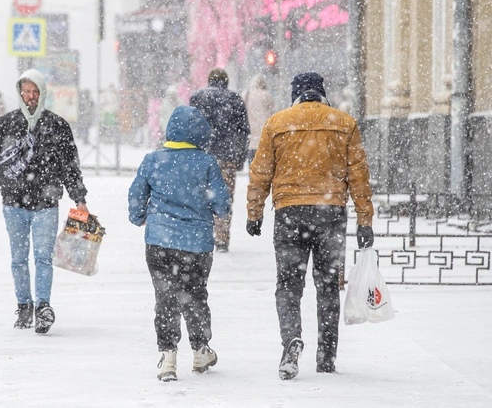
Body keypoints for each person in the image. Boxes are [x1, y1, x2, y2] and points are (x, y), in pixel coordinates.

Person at [246, 72, 374, 380]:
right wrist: (364, 219)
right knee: (328, 286)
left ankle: (291, 338)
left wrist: (254, 213)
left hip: (290, 213)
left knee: (289, 285)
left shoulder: (277, 124)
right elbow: (359, 175)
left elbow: (261, 172)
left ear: (296, 94)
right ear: (321, 93)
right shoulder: (344, 123)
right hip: (330, 213)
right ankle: (326, 357)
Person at [0, 69, 89, 334]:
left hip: (46, 203)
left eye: (35, 92)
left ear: (42, 94)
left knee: (43, 257)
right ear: (20, 93)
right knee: (18, 258)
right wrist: (3, 180)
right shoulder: (5, 123)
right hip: (13, 203)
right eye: (26, 91)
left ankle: (43, 306)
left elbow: (70, 166)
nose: (30, 97)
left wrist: (79, 197)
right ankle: (24, 304)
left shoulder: (57, 125)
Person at [128, 105, 231, 382]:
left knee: (165, 298)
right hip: (196, 245)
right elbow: (221, 205)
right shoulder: (207, 162)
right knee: (196, 297)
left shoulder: (153, 160)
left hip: (159, 243)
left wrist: (138, 217)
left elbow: (137, 194)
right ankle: (200, 349)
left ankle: (168, 356)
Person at [190, 68, 250, 253]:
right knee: (224, 198)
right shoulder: (234, 99)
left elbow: (189, 127)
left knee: (200, 198)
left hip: (201, 156)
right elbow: (243, 131)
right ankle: (222, 238)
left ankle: (202, 236)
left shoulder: (197, 98)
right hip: (226, 157)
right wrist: (238, 158)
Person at [243, 74, 275, 163]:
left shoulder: (248, 93)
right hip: (264, 136)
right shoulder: (267, 95)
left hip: (252, 134)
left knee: (252, 164)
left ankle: (252, 175)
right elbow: (272, 113)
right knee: (264, 166)